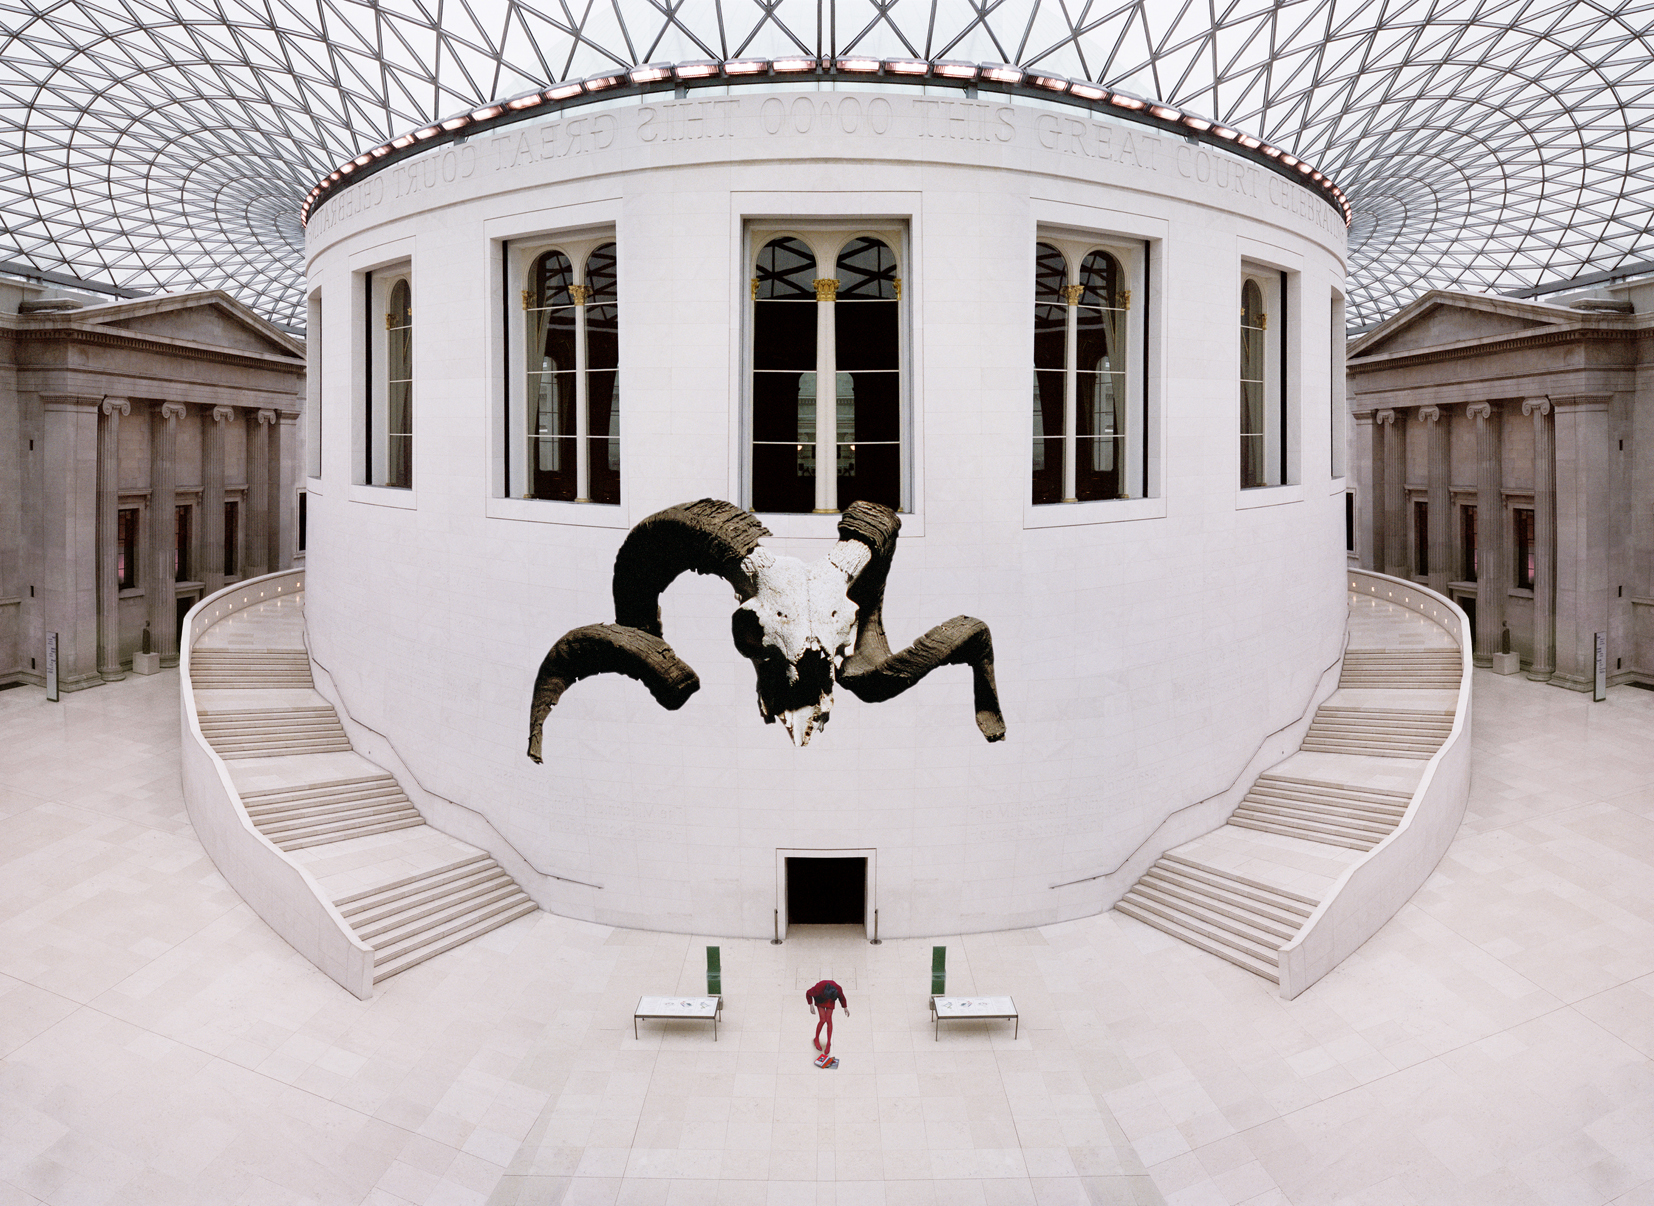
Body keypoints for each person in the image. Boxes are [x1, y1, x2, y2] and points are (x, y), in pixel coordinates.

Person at [805, 979, 848, 1057]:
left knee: (829, 1020)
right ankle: (816, 1039)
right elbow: (808, 993)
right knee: (822, 1020)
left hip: (830, 999)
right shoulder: (818, 988)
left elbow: (842, 997)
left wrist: (845, 1007)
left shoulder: (838, 989)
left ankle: (828, 1043)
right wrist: (810, 1005)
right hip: (820, 999)